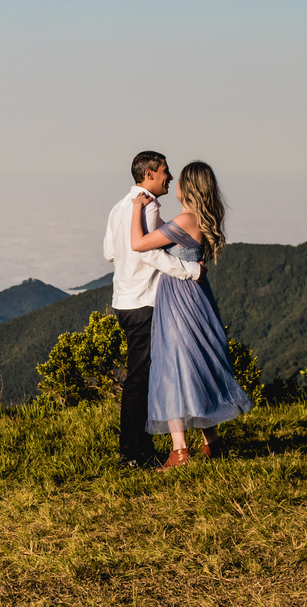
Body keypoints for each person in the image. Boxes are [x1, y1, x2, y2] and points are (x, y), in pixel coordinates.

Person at [130, 160, 252, 470]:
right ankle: (211, 441)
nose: (176, 183)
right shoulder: (203, 220)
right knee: (195, 364)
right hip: (197, 297)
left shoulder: (185, 220)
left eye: (181, 180)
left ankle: (179, 450)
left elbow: (138, 244)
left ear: (190, 187)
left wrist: (136, 208)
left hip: (177, 298)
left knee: (171, 367)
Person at [103, 151, 205, 469]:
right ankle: (135, 453)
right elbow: (148, 254)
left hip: (123, 300)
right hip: (144, 301)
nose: (169, 176)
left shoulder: (120, 207)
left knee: (141, 376)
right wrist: (191, 271)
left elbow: (109, 252)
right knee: (140, 378)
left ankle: (139, 449)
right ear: (149, 174)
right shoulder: (148, 205)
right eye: (165, 171)